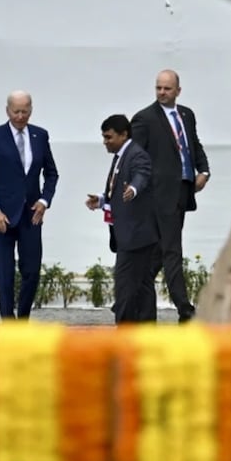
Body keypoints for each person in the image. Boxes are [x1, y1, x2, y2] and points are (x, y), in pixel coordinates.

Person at [130, 69, 210, 323]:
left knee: (159, 252)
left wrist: (204, 171)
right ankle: (185, 309)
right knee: (172, 251)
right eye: (158, 88)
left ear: (178, 90)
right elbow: (135, 157)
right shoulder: (144, 118)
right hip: (159, 195)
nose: (162, 92)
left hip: (183, 191)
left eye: (167, 88)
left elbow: (193, 145)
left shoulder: (186, 115)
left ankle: (127, 296)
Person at [0, 90, 59, 319]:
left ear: (31, 109)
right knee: (5, 274)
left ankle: (23, 318)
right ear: (7, 110)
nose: (20, 116)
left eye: (25, 111)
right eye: (16, 111)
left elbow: (51, 174)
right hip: (2, 217)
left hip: (31, 215)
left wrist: (44, 200)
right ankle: (8, 323)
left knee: (31, 272)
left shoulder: (40, 136)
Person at [85, 115, 158, 324]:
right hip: (133, 234)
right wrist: (101, 201)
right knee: (143, 285)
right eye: (103, 137)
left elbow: (141, 176)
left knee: (125, 286)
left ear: (124, 134)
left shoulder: (137, 155)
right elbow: (116, 192)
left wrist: (133, 189)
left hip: (135, 236)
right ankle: (146, 329)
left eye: (109, 137)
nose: (105, 142)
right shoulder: (120, 156)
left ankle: (125, 332)